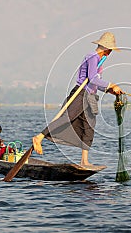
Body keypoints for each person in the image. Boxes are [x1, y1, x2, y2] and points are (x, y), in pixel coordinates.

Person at [32, 32, 123, 166]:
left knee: (89, 128)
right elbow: (92, 78)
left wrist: (110, 90)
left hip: (90, 97)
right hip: (80, 94)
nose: (110, 53)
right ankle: (39, 137)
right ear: (106, 48)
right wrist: (111, 85)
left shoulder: (100, 61)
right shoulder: (92, 57)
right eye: (110, 50)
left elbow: (97, 82)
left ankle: (84, 160)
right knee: (67, 118)